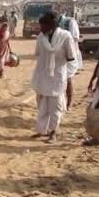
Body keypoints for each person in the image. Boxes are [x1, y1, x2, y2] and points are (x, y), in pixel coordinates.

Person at [31, 11, 76, 143]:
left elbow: (70, 57)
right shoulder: (41, 38)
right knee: (42, 105)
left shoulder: (66, 36)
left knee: (55, 106)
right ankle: (42, 130)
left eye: (43, 25)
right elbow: (38, 54)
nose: (41, 28)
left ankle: (53, 132)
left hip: (57, 76)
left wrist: (55, 63)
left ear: (51, 25)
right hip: (43, 75)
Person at [59, 13, 82, 110]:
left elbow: (75, 38)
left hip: (70, 54)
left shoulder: (70, 21)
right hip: (58, 55)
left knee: (68, 79)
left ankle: (69, 103)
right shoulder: (54, 23)